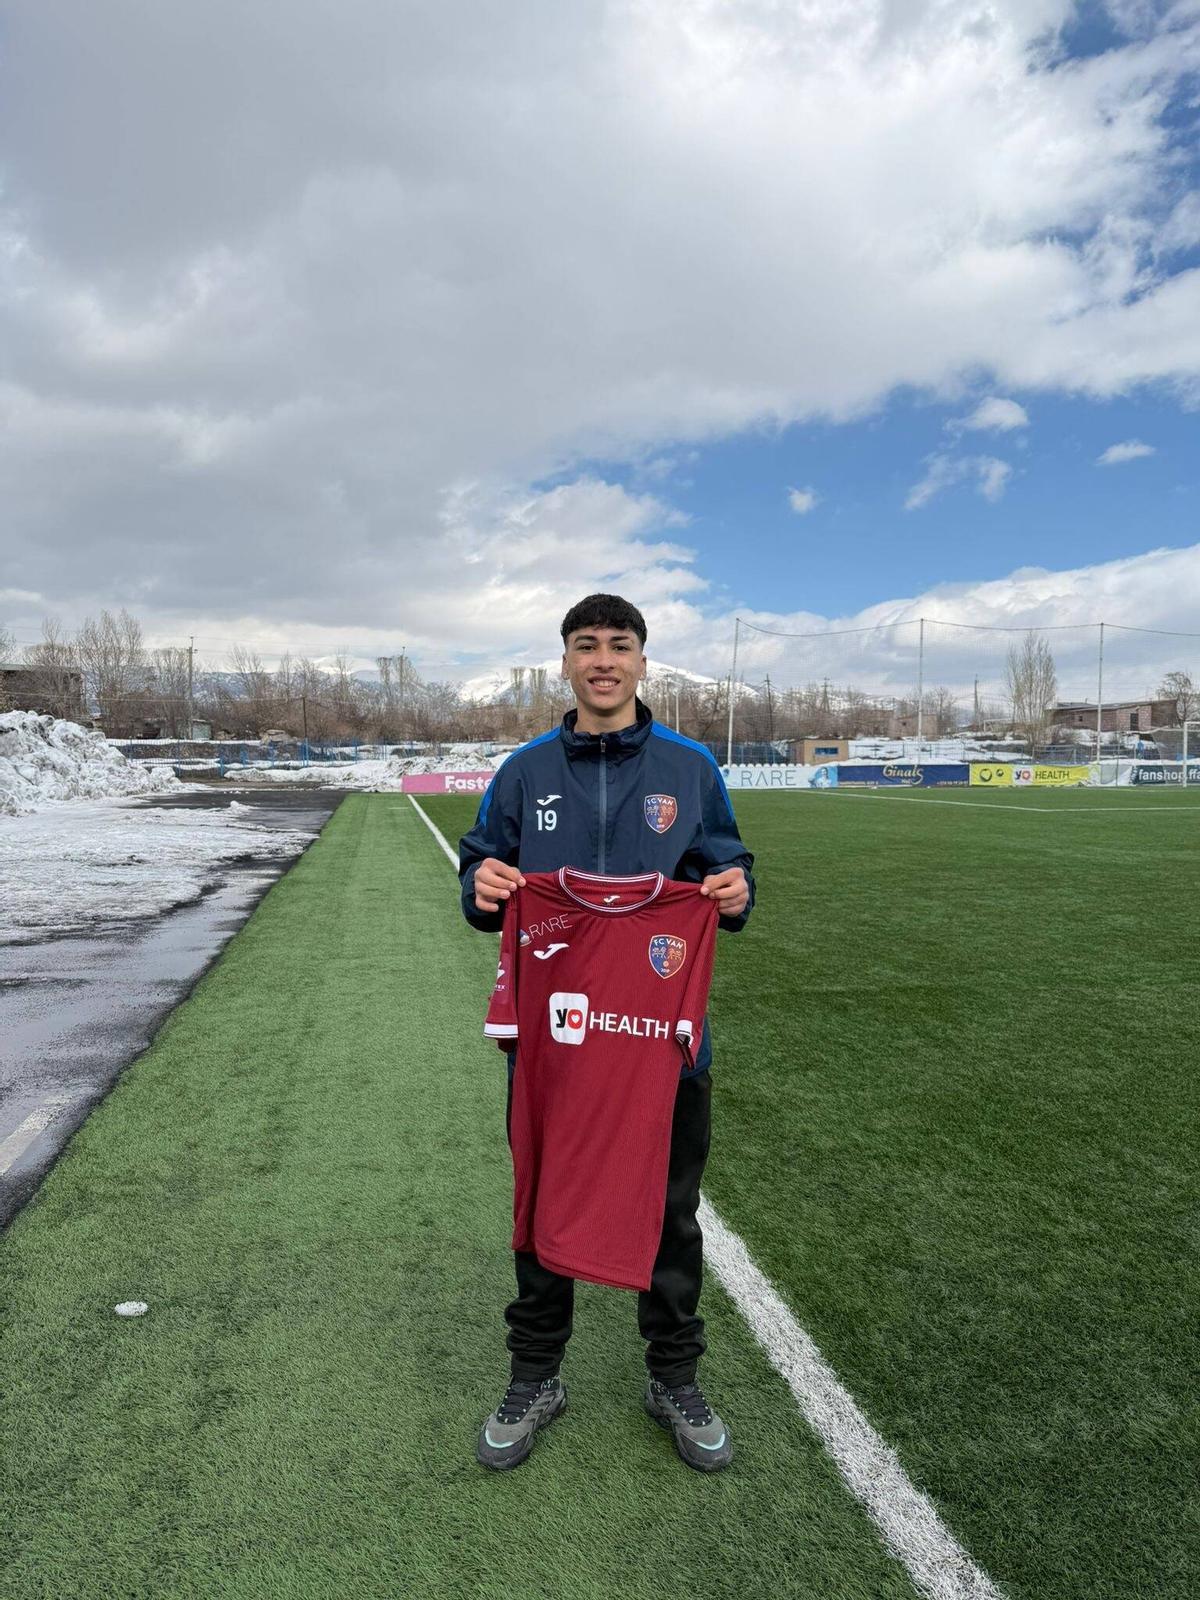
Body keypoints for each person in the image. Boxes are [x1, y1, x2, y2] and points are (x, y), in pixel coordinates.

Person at [458, 593, 755, 1472]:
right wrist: (479, 888)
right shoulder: (522, 770)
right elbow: (483, 864)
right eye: (586, 646)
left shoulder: (691, 766)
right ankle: (536, 1374)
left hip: (665, 1039)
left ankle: (673, 1376)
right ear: (565, 662)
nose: (603, 660)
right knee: (545, 1198)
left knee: (670, 1212)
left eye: (618, 646)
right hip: (557, 1038)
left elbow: (727, 862)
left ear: (641, 662)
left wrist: (735, 890)